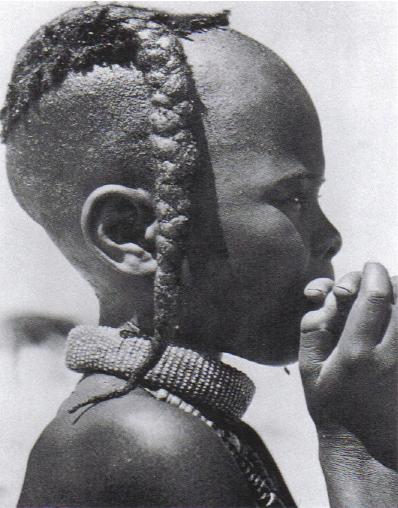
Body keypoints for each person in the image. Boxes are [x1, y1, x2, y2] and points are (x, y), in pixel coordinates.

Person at [2, 3, 396, 507]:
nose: (330, 236)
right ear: (132, 234)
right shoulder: (140, 436)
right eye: (293, 197)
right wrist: (364, 450)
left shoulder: (191, 421)